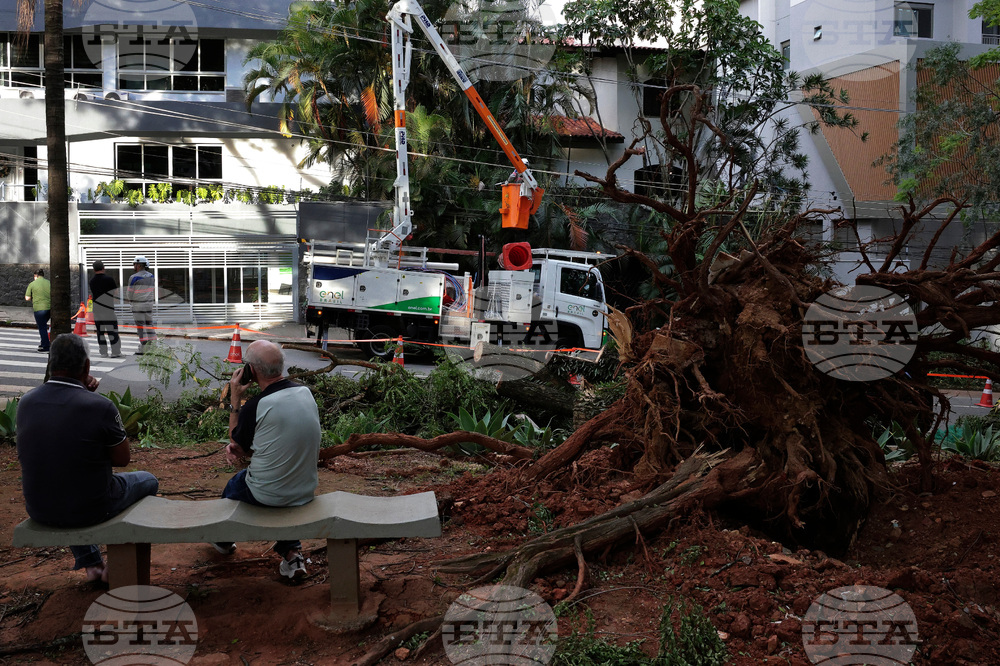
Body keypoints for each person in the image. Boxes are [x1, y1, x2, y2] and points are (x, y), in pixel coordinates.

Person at [16, 333, 159, 582]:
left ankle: (92, 564)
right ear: (87, 367)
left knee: (67, 481)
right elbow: (122, 459)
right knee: (148, 481)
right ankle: (117, 566)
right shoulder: (99, 406)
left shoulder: (26, 402)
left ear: (50, 364)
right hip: (92, 507)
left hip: (39, 507)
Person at [214, 340, 321, 580]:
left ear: (251, 371)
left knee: (235, 485)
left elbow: (237, 442)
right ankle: (293, 556)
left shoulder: (256, 405)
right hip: (305, 490)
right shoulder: (305, 392)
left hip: (267, 494)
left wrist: (235, 399)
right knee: (281, 492)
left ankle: (222, 541)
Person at [89, 260, 121, 358]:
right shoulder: (109, 279)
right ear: (104, 268)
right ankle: (115, 351)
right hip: (108, 309)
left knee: (100, 331)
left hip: (97, 309)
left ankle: (103, 352)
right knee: (112, 330)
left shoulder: (92, 281)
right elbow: (115, 293)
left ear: (94, 269)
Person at [126, 255, 157, 354]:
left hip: (138, 305)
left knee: (141, 327)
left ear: (139, 265)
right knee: (149, 325)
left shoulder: (133, 277)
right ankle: (153, 347)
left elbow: (129, 293)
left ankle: (144, 348)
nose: (134, 266)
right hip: (149, 305)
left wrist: (131, 301)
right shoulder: (151, 276)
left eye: (134, 264)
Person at [24, 269, 50, 353]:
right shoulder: (49, 283)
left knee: (42, 327)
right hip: (49, 308)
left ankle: (46, 346)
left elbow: (27, 298)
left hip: (39, 308)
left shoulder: (32, 284)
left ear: (36, 276)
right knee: (43, 325)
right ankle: (43, 343)